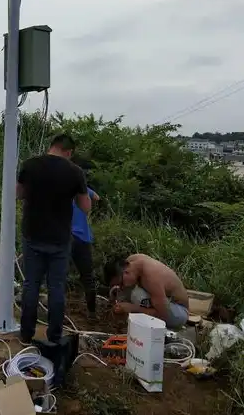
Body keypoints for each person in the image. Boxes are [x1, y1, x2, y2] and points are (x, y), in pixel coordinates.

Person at [17, 134, 91, 344]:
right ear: (69, 152)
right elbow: (85, 207)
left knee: (31, 284)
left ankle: (26, 334)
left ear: (52, 146)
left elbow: (18, 193)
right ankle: (54, 336)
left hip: (33, 235)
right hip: (59, 239)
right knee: (56, 287)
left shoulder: (30, 165)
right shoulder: (74, 171)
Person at [104, 254, 189, 329]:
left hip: (178, 312)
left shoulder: (151, 279)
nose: (121, 287)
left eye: (121, 283)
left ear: (126, 272)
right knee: (129, 292)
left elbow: (162, 316)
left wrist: (132, 308)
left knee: (137, 295)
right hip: (165, 301)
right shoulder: (132, 261)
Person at [71, 184, 100, 320]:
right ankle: (92, 313)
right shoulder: (82, 189)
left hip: (65, 236)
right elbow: (96, 197)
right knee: (88, 276)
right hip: (82, 237)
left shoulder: (59, 187)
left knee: (56, 275)